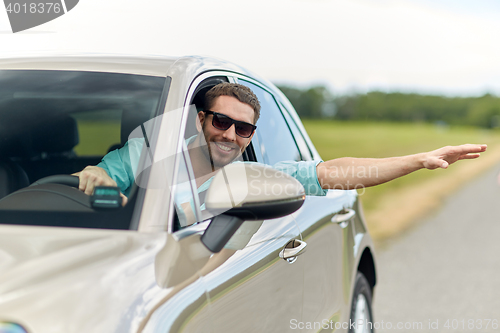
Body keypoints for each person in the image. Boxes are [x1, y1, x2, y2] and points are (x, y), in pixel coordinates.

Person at [74, 83, 487, 207]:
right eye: (221, 121)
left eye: (244, 130)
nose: (230, 136)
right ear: (201, 119)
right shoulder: (148, 156)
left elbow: (330, 172)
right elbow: (103, 176)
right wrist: (96, 175)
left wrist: (416, 160)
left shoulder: (251, 176)